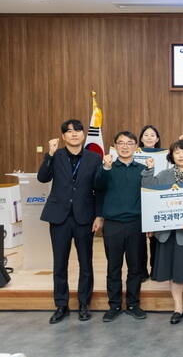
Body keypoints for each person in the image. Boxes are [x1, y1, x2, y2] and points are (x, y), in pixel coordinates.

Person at [37, 119, 102, 324]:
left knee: (86, 263)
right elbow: (42, 178)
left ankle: (84, 304)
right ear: (63, 136)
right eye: (69, 131)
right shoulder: (56, 155)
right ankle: (61, 305)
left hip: (84, 216)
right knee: (60, 263)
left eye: (78, 130)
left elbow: (99, 188)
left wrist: (99, 215)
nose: (74, 134)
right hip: (59, 217)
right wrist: (49, 154)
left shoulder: (94, 157)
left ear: (83, 134)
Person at [141, 139, 183, 325]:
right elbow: (149, 193)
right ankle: (177, 307)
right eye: (177, 152)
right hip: (168, 233)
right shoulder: (163, 175)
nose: (181, 155)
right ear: (171, 156)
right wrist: (149, 170)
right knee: (174, 272)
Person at [94, 131, 147, 322]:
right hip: (113, 225)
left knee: (135, 267)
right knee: (113, 267)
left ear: (136, 147)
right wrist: (106, 168)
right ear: (115, 146)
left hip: (136, 224)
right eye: (121, 143)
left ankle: (133, 304)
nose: (125, 146)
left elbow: (150, 196)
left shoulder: (143, 169)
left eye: (129, 143)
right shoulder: (107, 167)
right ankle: (114, 305)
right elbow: (97, 187)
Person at [138, 125, 162, 280]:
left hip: (156, 201)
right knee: (138, 241)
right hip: (137, 201)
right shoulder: (134, 154)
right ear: (141, 138)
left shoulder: (164, 156)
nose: (149, 137)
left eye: (152, 135)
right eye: (146, 135)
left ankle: (156, 269)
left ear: (157, 139)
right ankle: (141, 271)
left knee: (156, 239)